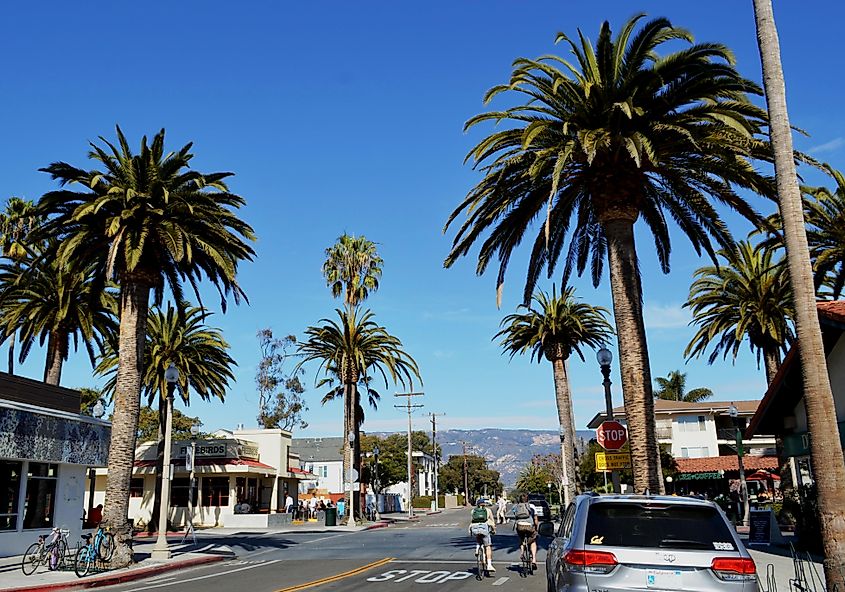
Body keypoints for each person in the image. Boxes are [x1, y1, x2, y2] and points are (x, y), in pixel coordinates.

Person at [468, 498, 496, 573]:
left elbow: (472, 520)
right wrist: (493, 529)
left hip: (475, 528)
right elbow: (492, 521)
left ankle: (477, 547)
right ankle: (489, 564)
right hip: (484, 528)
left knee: (478, 535)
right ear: (484, 504)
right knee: (488, 546)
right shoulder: (488, 510)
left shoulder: (473, 511)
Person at [512, 493, 538, 570]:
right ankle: (533, 560)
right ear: (528, 499)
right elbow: (536, 519)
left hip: (519, 526)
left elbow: (515, 514)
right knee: (533, 541)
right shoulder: (532, 506)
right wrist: (536, 527)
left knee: (521, 538)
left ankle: (522, 552)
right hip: (529, 526)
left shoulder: (515, 507)